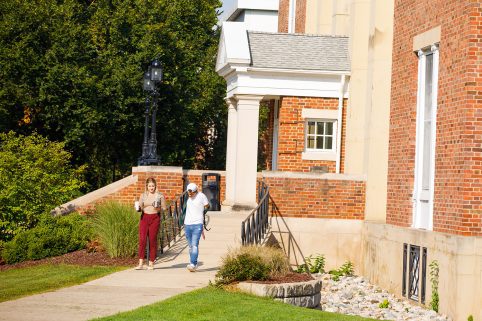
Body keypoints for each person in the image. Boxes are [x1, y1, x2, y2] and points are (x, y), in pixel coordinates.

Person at [135, 177, 166, 270]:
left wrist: (158, 207)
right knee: (142, 240)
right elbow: (140, 207)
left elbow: (164, 208)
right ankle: (140, 263)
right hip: (144, 218)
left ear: (155, 186)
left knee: (152, 240)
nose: (151, 188)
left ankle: (151, 262)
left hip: (155, 218)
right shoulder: (143, 195)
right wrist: (137, 208)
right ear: (147, 186)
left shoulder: (160, 196)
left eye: (153, 186)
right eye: (149, 186)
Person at [184, 182, 209, 272]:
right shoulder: (187, 197)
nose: (190, 194)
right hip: (187, 224)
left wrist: (203, 213)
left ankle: (193, 264)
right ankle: (193, 263)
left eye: (192, 193)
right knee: (190, 246)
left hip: (197, 223)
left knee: (194, 245)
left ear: (196, 191)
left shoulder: (201, 196)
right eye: (188, 193)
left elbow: (207, 205)